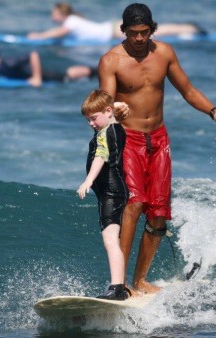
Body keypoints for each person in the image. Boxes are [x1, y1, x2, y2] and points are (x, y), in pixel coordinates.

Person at [98, 3, 216, 295]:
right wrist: (112, 109)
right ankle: (118, 283)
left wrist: (213, 111)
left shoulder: (164, 54)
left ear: (152, 30)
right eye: (133, 33)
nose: (139, 38)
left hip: (159, 140)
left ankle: (139, 280)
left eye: (144, 32)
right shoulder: (111, 61)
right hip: (127, 139)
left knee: (157, 214)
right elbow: (104, 102)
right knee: (133, 205)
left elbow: (188, 90)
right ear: (124, 31)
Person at [77, 89, 130, 300]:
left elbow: (101, 156)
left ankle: (117, 287)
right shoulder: (112, 126)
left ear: (107, 111)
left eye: (93, 118)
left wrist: (88, 181)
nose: (91, 123)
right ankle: (118, 286)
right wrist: (112, 106)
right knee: (110, 238)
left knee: (110, 239)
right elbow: (110, 111)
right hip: (110, 192)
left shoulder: (107, 132)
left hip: (111, 191)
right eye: (88, 119)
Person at [27, 2, 206, 42]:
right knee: (156, 30)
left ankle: (188, 28)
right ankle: (186, 27)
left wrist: (38, 36)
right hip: (111, 28)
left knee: (157, 31)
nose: (52, 17)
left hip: (112, 30)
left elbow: (60, 32)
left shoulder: (71, 21)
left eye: (54, 14)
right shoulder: (73, 20)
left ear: (61, 14)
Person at [0, 40, 96, 87]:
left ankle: (95, 71)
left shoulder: (9, 63)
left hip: (44, 75)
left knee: (66, 76)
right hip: (34, 77)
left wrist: (36, 78)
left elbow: (33, 54)